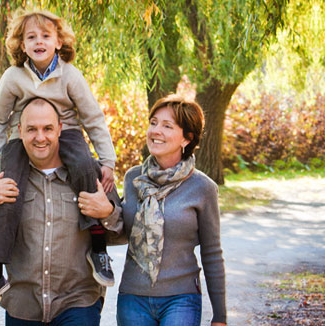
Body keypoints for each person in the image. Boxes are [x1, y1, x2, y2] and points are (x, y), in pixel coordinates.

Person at [0, 8, 118, 307]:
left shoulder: (70, 74)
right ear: (21, 44)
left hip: (66, 134)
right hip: (23, 138)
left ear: (58, 42)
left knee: (85, 168)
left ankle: (98, 248)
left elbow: (92, 118)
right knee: (7, 189)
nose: (38, 41)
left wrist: (107, 161)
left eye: (45, 35)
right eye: (31, 37)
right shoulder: (13, 76)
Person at [0, 98, 122, 325]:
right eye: (32, 129)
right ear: (20, 131)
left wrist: (107, 212)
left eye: (47, 129)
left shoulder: (89, 172)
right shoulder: (5, 177)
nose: (40, 137)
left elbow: (122, 230)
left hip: (78, 305)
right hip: (23, 308)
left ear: (60, 129)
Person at [84, 94, 227, 325]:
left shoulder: (203, 188)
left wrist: (220, 316)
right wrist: (107, 212)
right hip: (133, 297)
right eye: (153, 123)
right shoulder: (133, 178)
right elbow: (123, 234)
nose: (155, 131)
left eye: (167, 126)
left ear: (187, 139)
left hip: (181, 298)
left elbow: (212, 254)